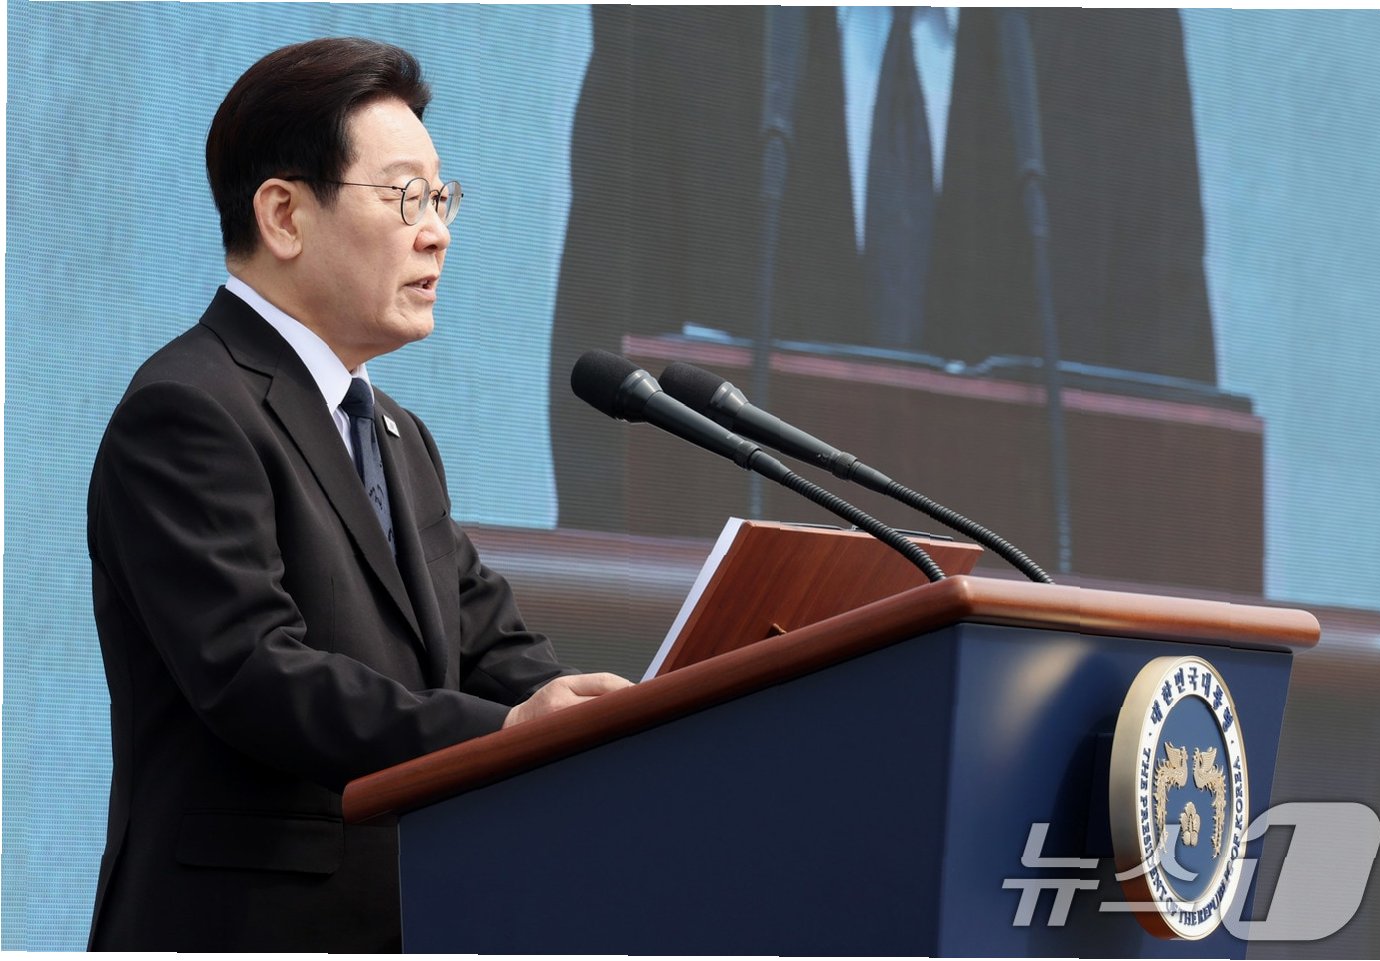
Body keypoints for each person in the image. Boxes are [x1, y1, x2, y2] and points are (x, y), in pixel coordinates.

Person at [86, 37, 631, 952]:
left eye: (443, 198)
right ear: (284, 216)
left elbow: (487, 639)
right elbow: (254, 672)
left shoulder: (396, 434)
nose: (438, 231)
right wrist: (503, 732)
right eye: (406, 196)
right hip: (244, 927)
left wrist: (615, 719)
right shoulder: (189, 407)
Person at [549, 8, 1217, 532]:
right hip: (743, 632)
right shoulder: (673, 22)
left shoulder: (1119, 34)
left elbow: (1171, 431)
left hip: (1025, 629)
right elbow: (610, 401)